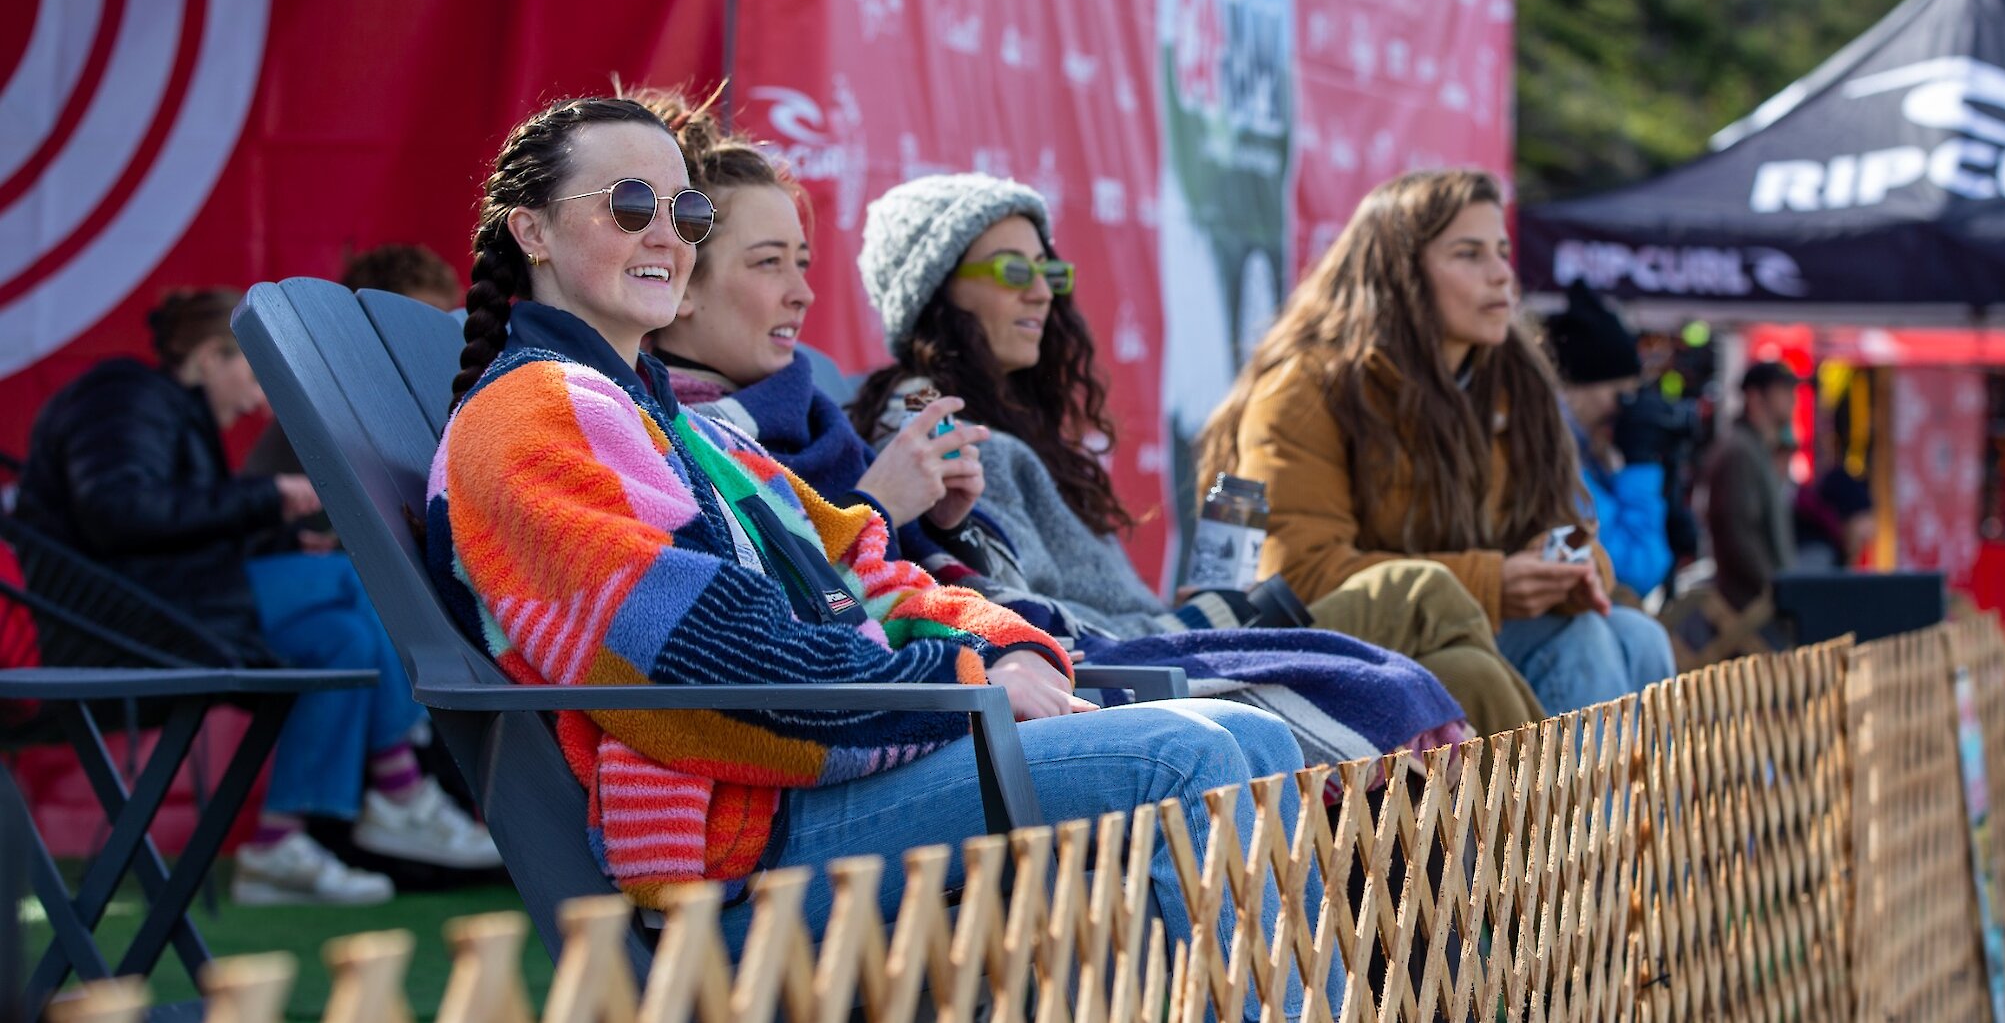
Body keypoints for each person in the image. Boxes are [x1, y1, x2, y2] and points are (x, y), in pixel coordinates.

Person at [427, 98, 1326, 996]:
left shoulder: (689, 432)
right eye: (631, 205)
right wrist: (963, 684)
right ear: (532, 230)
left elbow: (872, 569)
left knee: (1249, 736)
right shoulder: (532, 418)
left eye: (686, 212)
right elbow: (703, 664)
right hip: (736, 839)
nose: (666, 235)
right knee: (1194, 761)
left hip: (815, 785)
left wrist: (1002, 644)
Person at [721, 162, 1469, 767]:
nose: (1042, 292)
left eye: (1050, 272)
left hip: (1136, 644)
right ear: (935, 290)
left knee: (1462, 661)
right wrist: (888, 507)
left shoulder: (1002, 430)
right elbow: (1023, 613)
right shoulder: (931, 426)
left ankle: (1529, 911)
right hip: (1089, 669)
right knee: (1424, 615)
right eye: (1014, 270)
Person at [15, 291, 497, 906]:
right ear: (212, 355)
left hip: (159, 606)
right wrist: (268, 499)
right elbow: (119, 513)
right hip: (114, 624)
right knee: (358, 585)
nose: (259, 396)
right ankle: (400, 791)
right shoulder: (124, 395)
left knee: (341, 644)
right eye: (251, 369)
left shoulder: (169, 410)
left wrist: (280, 533)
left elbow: (179, 531)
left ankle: (278, 848)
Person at [1203, 168, 1675, 719]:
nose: (1502, 274)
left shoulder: (1518, 383)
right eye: (1469, 254)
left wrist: (1574, 567)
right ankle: (1574, 809)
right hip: (1341, 653)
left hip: (1475, 632)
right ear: (1399, 273)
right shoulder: (1306, 390)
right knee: (1579, 643)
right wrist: (1492, 585)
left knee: (1638, 635)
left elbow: (1563, 521)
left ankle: (1637, 809)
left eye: (1502, 251)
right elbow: (1298, 580)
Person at [244, 243, 464, 485]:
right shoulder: (333, 398)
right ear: (369, 319)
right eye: (417, 317)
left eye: (442, 317)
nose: (431, 334)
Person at [1541, 282, 1672, 599]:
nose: (1625, 410)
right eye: (1619, 395)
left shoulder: (1589, 453)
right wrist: (1642, 467)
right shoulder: (1554, 456)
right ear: (1574, 389)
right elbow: (1635, 570)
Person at [1702, 360, 1802, 611]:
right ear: (1755, 397)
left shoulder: (1757, 450)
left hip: (1760, 603)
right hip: (1749, 607)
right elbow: (1738, 531)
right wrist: (1773, 588)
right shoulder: (1740, 451)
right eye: (1783, 390)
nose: (1792, 399)